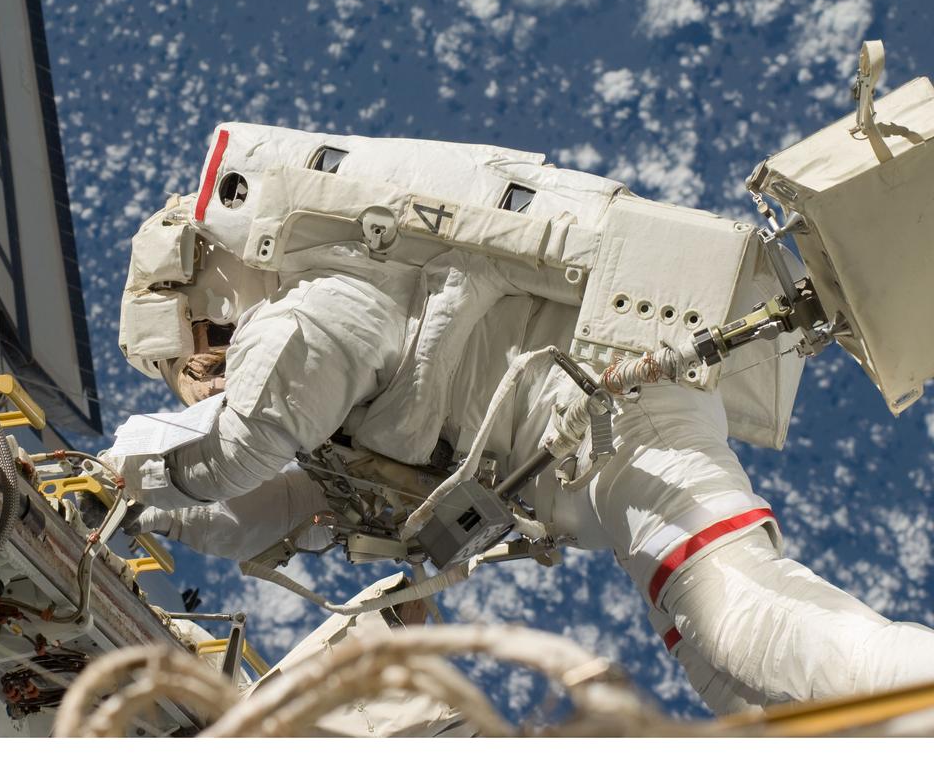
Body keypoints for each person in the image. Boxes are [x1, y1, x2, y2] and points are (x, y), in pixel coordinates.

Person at [102, 120, 934, 716]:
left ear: (205, 293)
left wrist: (136, 467)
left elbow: (239, 452)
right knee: (729, 675)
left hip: (614, 413)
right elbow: (269, 504)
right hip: (595, 447)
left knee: (742, 618)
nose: (205, 380)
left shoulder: (305, 316)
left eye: (199, 356)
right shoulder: (320, 365)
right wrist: (122, 494)